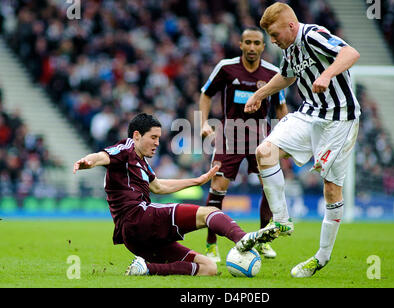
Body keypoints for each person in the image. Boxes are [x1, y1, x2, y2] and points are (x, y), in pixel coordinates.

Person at [73, 113, 281, 276]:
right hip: (139, 218)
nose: (157, 143)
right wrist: (88, 161)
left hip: (134, 238)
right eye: (153, 137)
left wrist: (196, 181)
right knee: (208, 213)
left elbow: (158, 187)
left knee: (208, 268)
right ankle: (244, 238)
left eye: (158, 138)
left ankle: (146, 268)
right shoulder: (126, 148)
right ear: (136, 135)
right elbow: (102, 156)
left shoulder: (142, 163)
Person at [244, 2, 361, 277]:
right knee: (265, 152)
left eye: (274, 34)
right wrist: (259, 95)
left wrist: (327, 74)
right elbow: (286, 76)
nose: (272, 41)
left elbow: (350, 52)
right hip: (310, 113)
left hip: (340, 119)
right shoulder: (290, 48)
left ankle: (321, 257)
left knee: (331, 188)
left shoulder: (312, 34)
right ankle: (282, 222)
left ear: (291, 26)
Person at [199, 27, 289, 261]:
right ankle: (211, 245)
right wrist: (203, 123)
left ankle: (262, 241)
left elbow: (280, 106)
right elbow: (206, 93)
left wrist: (285, 135)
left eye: (256, 43)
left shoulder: (272, 72)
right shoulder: (226, 67)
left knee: (270, 187)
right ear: (240, 44)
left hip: (262, 138)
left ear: (263, 46)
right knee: (218, 188)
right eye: (247, 42)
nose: (251, 47)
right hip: (230, 136)